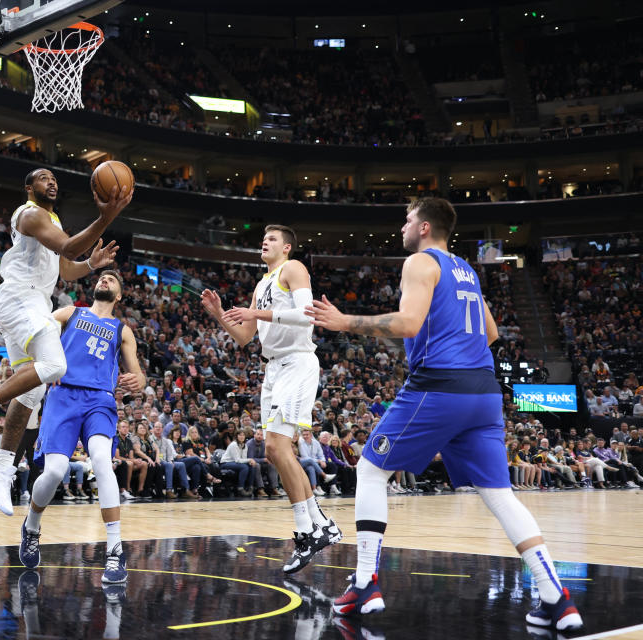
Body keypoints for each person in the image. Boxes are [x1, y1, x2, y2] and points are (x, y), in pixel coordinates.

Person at [305, 197, 583, 630]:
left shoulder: (420, 262)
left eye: (407, 218)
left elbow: (408, 324)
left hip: (440, 387)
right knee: (499, 493)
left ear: (424, 227)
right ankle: (556, 599)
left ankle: (365, 583)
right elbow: (489, 333)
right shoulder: (467, 270)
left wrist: (345, 322)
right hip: (483, 392)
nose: (402, 225)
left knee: (371, 470)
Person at [0, 167, 131, 517]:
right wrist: (105, 218)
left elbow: (64, 268)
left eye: (55, 178)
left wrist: (89, 264)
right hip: (21, 298)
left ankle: (1, 469)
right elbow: (66, 245)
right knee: (55, 365)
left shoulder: (52, 218)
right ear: (28, 186)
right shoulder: (31, 214)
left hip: (33, 301)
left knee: (32, 393)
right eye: (43, 177)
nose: (52, 181)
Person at [201, 224, 342, 574]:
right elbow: (246, 337)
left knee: (279, 448)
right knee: (272, 451)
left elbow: (306, 315)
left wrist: (256, 314)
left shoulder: (292, 269)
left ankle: (306, 530)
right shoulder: (261, 284)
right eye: (264, 238)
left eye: (273, 238)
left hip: (297, 361)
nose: (265, 241)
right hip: (274, 368)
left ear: (288, 247)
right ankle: (319, 525)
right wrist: (219, 315)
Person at [19, 270, 144, 584]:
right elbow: (34, 332)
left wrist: (136, 381)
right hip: (63, 396)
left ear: (118, 296)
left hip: (100, 400)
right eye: (102, 277)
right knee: (54, 471)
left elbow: (139, 376)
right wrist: (49, 359)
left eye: (113, 279)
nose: (105, 280)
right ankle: (32, 525)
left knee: (102, 461)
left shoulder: (122, 329)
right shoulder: (70, 312)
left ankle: (115, 550)